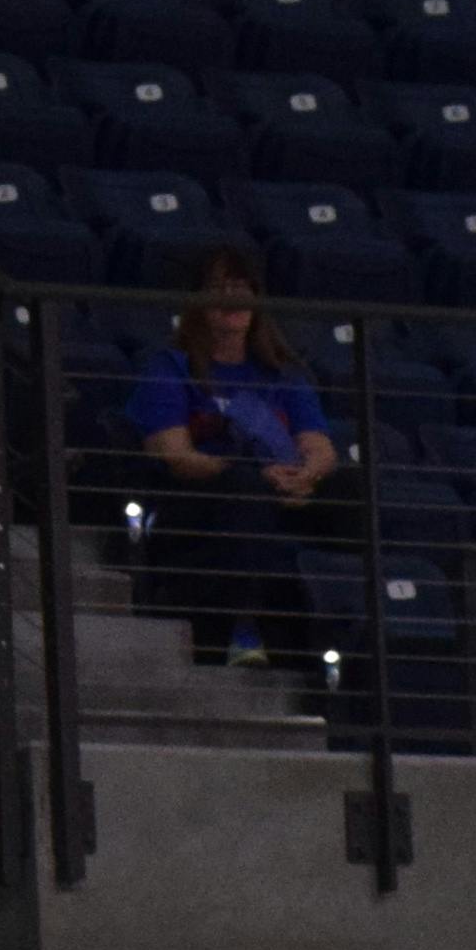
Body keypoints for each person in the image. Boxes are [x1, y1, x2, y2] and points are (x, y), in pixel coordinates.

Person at [127, 251, 346, 666]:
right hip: (200, 502)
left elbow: (320, 447)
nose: (233, 300)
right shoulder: (170, 368)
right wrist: (257, 476)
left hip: (275, 495)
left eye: (243, 290)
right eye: (219, 289)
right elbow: (176, 455)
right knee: (245, 492)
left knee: (349, 489)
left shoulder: (282, 374)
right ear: (196, 303)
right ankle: (245, 631)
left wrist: (304, 477)